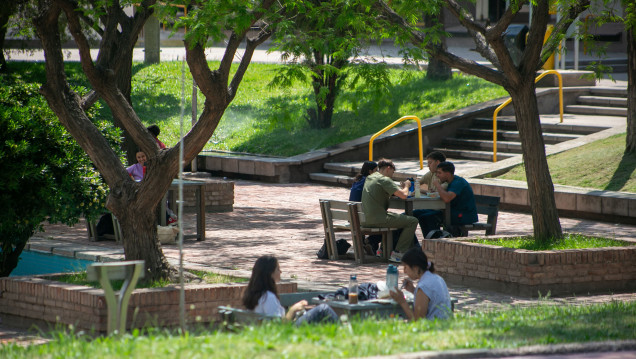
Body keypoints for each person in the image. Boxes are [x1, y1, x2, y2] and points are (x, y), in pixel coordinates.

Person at [242, 255, 339, 325]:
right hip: (282, 332)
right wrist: (293, 310)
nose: (280, 272)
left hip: (268, 330)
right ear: (270, 273)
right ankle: (344, 332)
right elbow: (278, 325)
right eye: (277, 269)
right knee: (323, 309)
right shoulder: (268, 297)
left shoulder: (254, 294)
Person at [361, 158, 419, 262]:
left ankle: (382, 251)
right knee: (412, 221)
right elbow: (404, 195)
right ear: (388, 168)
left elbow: (383, 190)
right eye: (393, 172)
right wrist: (406, 186)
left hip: (365, 219)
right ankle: (398, 253)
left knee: (394, 219)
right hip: (378, 219)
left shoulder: (370, 177)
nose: (392, 175)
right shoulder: (385, 179)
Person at [389, 248, 452, 321]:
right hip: (446, 326)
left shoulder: (423, 286)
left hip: (434, 329)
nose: (404, 271)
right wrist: (413, 290)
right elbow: (430, 298)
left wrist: (402, 301)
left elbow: (418, 321)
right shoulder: (437, 278)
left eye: (406, 267)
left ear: (415, 268)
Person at [418, 161, 478, 237]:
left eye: (439, 173)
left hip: (463, 215)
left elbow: (446, 198)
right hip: (451, 212)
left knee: (428, 217)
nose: (437, 175)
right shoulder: (450, 182)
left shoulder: (458, 182)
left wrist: (437, 185)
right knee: (418, 214)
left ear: (447, 174)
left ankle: (436, 241)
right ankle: (429, 241)